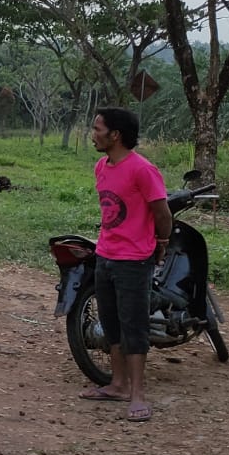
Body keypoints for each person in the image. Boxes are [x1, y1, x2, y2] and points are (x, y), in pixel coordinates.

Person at [81, 107, 171, 422]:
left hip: (133, 260)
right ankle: (118, 385)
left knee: (134, 326)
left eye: (97, 129)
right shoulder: (101, 167)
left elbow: (162, 212)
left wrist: (161, 243)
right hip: (106, 255)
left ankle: (138, 395)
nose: (93, 134)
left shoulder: (142, 170)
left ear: (115, 135)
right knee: (112, 323)